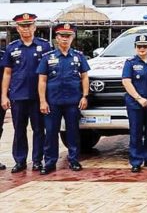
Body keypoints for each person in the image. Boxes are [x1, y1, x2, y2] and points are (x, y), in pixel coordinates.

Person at [37, 23, 90, 175]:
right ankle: (49, 162)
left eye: (68, 36)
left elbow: (85, 77)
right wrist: (42, 100)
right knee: (51, 132)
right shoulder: (48, 58)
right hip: (53, 102)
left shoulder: (78, 57)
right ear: (57, 38)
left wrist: (85, 96)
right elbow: (42, 80)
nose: (65, 39)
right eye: (62, 36)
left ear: (72, 37)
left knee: (73, 132)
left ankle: (73, 160)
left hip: (73, 101)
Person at [1, 13, 51, 173]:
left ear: (35, 27)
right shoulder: (12, 47)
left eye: (29, 25)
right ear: (17, 28)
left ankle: (37, 161)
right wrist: (4, 95)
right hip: (18, 95)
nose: (26, 29)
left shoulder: (45, 46)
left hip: (38, 97)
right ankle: (20, 161)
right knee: (19, 130)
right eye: (23, 26)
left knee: (38, 130)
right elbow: (7, 73)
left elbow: (49, 72)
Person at [122, 34, 147, 172]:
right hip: (135, 103)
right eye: (139, 46)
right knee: (136, 132)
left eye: (145, 46)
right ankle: (136, 161)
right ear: (135, 47)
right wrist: (139, 98)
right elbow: (126, 82)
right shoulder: (130, 63)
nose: (142, 49)